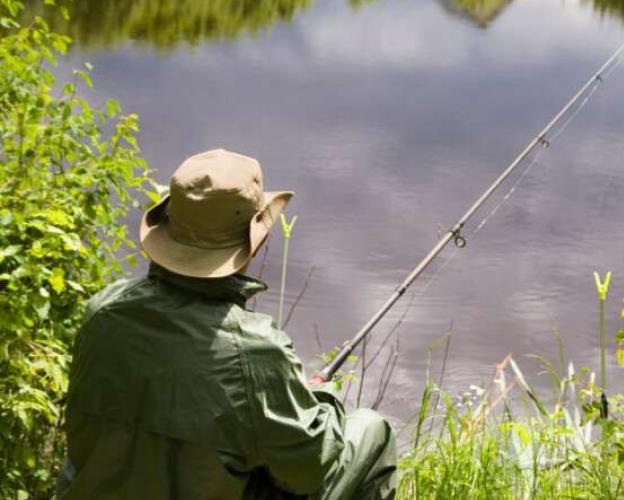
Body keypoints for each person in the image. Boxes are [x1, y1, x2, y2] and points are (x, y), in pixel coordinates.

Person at [56, 149, 397, 499]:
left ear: (167, 228)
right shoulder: (256, 349)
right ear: (252, 242)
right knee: (372, 431)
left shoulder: (103, 311)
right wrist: (322, 397)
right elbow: (309, 470)